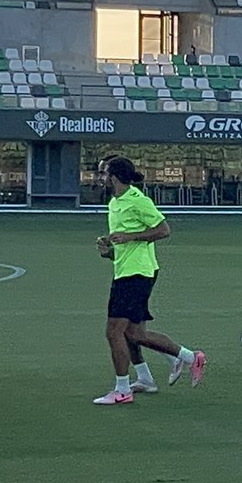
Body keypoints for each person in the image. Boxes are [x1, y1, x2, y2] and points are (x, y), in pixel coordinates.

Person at [93, 156, 206, 405]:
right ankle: (170, 366)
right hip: (125, 270)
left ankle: (122, 390)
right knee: (134, 333)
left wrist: (130, 236)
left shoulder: (138, 201)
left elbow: (164, 230)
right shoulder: (115, 202)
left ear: (114, 176)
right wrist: (109, 251)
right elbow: (125, 244)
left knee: (114, 332)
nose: (99, 178)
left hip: (137, 274)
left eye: (103, 174)